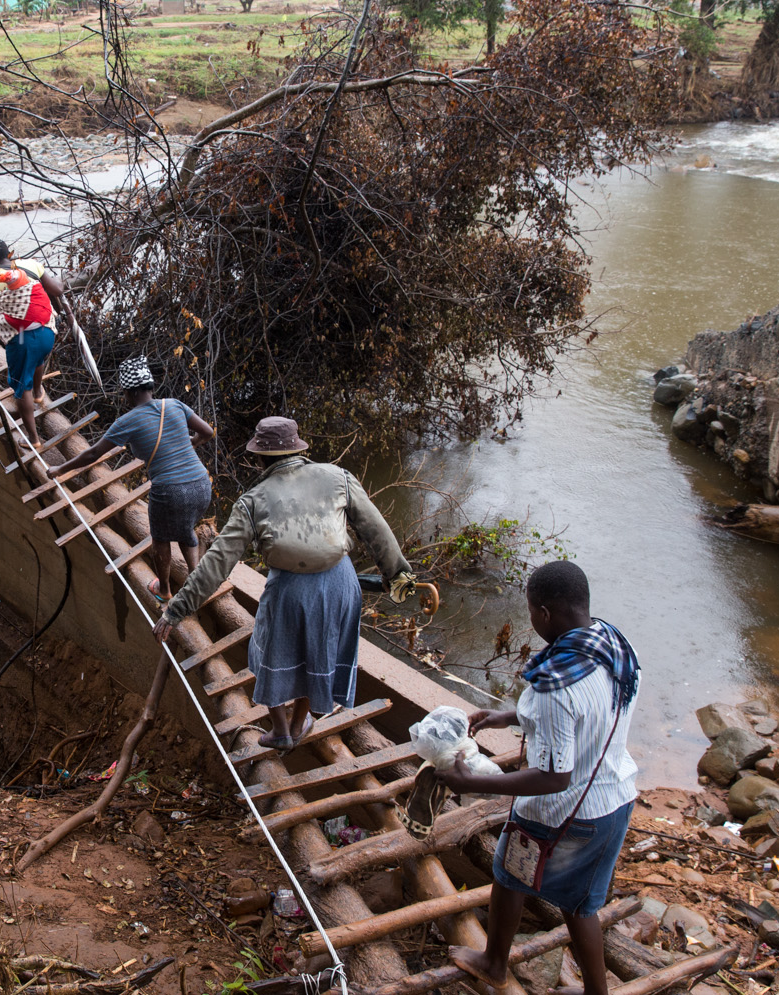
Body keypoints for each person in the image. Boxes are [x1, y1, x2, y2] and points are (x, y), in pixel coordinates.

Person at [152, 417, 425, 750]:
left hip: (290, 590)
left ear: (259, 458)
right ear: (298, 447)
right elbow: (376, 530)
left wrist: (175, 610)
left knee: (267, 650)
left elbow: (215, 564)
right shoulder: (338, 477)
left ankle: (282, 730)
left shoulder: (252, 501)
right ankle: (299, 724)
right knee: (320, 651)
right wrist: (398, 575)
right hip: (339, 584)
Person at [435, 560, 640, 995]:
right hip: (615, 801)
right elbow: (587, 715)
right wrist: (507, 715)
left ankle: (493, 962)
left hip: (566, 814)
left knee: (509, 873)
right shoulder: (611, 643)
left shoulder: (554, 687)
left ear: (544, 613)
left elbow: (552, 778)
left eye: (531, 611)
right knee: (581, 907)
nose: (531, 620)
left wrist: (471, 783)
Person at [46, 355, 216, 603]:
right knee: (185, 526)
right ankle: (196, 581)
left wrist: (60, 469)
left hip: (170, 491)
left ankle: (165, 590)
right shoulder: (175, 405)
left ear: (131, 392)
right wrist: (189, 444)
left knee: (160, 537)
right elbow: (207, 432)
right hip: (201, 484)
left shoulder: (126, 422)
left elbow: (93, 453)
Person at [0, 239, 67, 448]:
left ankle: (33, 438)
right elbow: (57, 289)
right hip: (48, 332)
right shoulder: (31, 264)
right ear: (9, 254)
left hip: (23, 339)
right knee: (37, 359)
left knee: (21, 388)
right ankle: (39, 393)